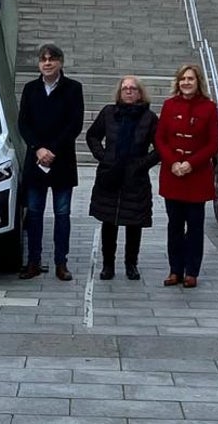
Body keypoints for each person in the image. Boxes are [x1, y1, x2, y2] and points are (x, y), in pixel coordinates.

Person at [17, 43, 85, 281]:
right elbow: (23, 123)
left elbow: (74, 124)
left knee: (62, 213)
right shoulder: (30, 89)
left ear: (60, 62)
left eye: (52, 59)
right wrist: (38, 148)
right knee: (34, 213)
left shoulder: (73, 89)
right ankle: (33, 262)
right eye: (43, 59)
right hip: (36, 160)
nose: (47, 63)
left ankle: (61, 263)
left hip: (61, 160)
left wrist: (52, 149)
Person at [85, 75, 159, 281]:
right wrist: (103, 156)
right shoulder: (109, 113)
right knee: (109, 222)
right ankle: (108, 264)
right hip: (110, 175)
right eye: (125, 88)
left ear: (140, 93)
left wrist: (141, 165)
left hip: (135, 178)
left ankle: (131, 264)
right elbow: (92, 136)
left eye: (133, 88)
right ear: (119, 92)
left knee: (134, 222)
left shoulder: (149, 117)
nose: (128, 91)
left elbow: (160, 148)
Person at [155, 63, 218, 288]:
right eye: (183, 79)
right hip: (173, 175)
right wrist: (173, 162)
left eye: (190, 79)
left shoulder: (209, 108)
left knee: (194, 226)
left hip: (196, 176)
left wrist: (190, 164)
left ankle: (192, 271)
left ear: (198, 82)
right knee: (174, 226)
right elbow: (160, 139)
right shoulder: (169, 105)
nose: (186, 83)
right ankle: (175, 270)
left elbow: (213, 143)